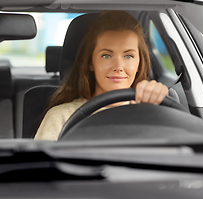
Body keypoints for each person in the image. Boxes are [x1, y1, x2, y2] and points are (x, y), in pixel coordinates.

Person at [35, 10, 169, 141]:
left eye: (128, 56)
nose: (118, 67)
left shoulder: (151, 112)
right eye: (106, 55)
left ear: (139, 63)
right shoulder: (61, 117)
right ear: (90, 63)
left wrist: (157, 111)